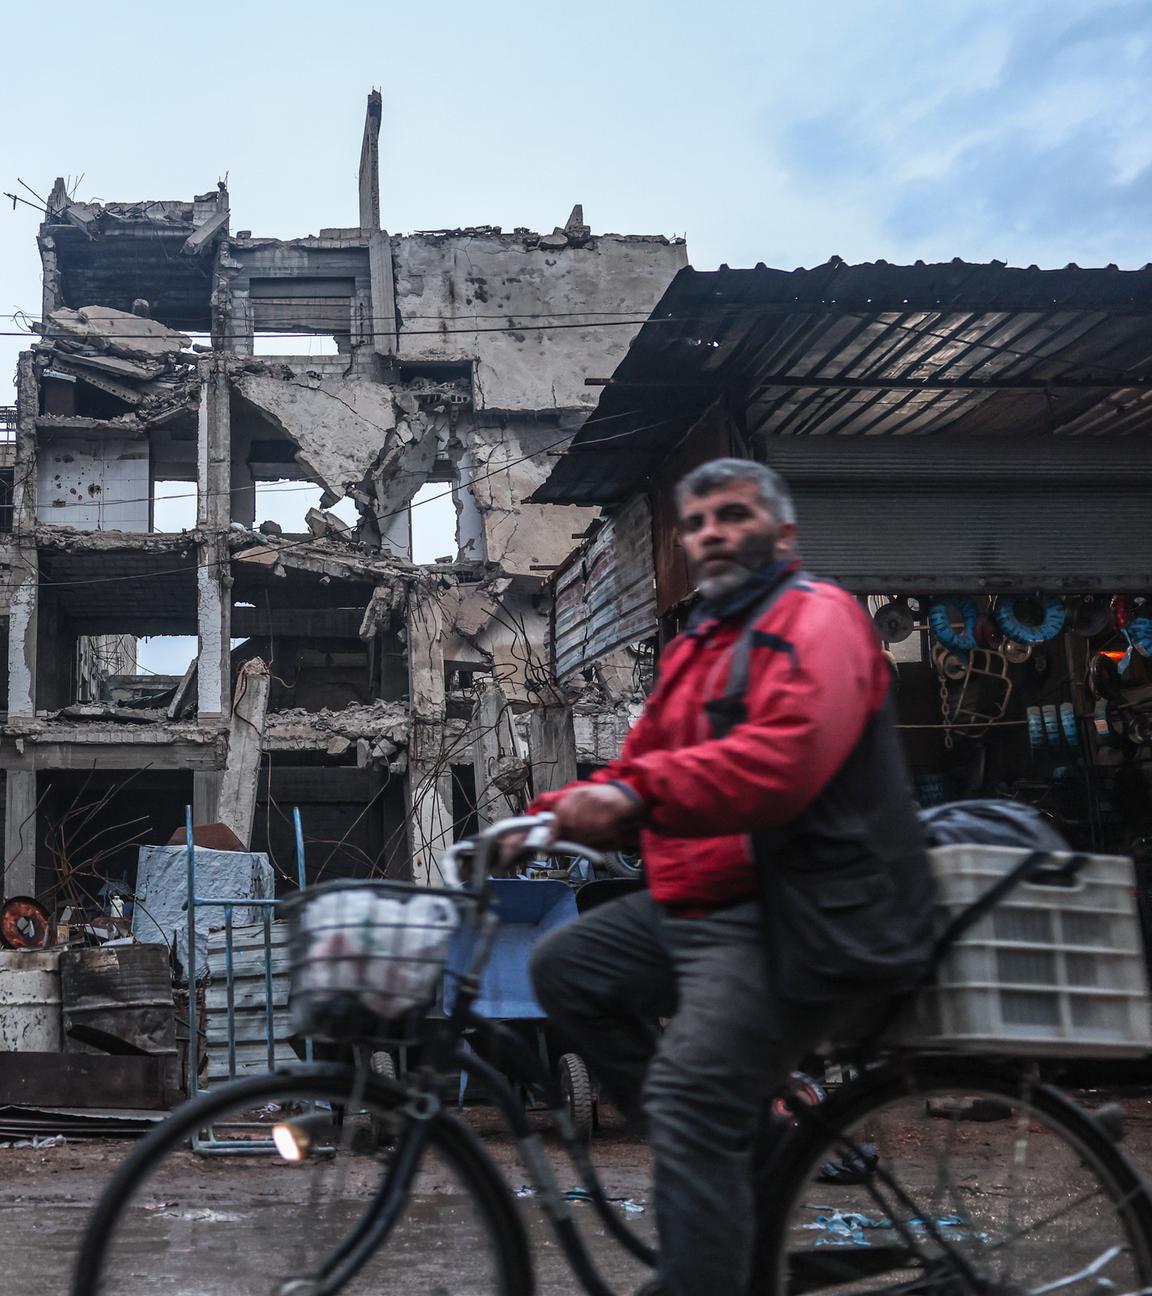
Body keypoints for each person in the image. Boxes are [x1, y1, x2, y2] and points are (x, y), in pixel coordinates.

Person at [525, 458, 935, 1296]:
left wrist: (631, 798)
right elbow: (639, 764)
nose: (712, 532)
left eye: (733, 515)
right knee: (565, 968)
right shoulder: (700, 645)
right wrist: (546, 814)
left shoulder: (818, 620)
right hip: (710, 905)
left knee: (689, 1102)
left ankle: (706, 1253)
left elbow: (780, 767)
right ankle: (733, 1141)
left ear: (781, 533)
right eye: (699, 520)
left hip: (808, 910)